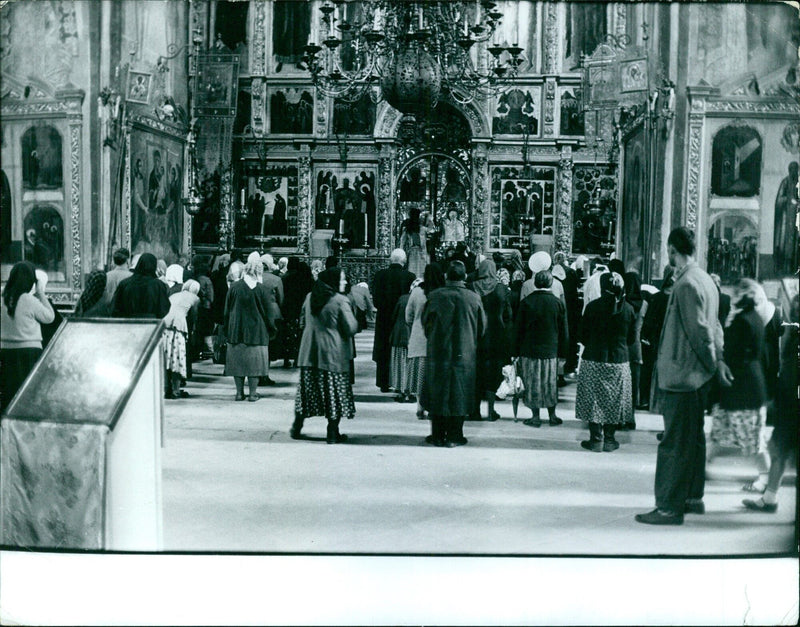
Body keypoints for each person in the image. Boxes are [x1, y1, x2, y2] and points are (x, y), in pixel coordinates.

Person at [636, 227, 728, 526]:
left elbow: (700, 331)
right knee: (693, 439)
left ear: (673, 250)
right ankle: (692, 497)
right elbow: (715, 327)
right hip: (695, 376)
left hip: (684, 376)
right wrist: (715, 363)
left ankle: (668, 508)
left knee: (674, 443)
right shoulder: (704, 279)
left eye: (668, 250)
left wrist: (712, 364)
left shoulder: (687, 283)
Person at [708, 279, 770, 492]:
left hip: (742, 390)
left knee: (752, 441)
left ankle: (765, 479)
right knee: (720, 431)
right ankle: (704, 467)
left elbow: (735, 354)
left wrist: (721, 362)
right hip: (747, 386)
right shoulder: (756, 318)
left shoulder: (742, 321)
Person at [420, 261, 486, 447]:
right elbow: (482, 328)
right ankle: (455, 436)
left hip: (438, 351)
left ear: (446, 276)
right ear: (465, 277)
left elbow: (425, 323)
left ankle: (437, 435)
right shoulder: (473, 298)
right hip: (464, 352)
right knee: (460, 391)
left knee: (438, 390)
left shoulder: (434, 296)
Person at [743, 295, 798, 513]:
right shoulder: (792, 331)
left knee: (779, 450)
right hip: (788, 399)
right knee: (778, 450)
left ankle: (770, 497)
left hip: (793, 402)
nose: (794, 308)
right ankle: (769, 498)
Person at [290, 267, 359, 444]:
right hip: (332, 353)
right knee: (334, 392)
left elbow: (302, 321)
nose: (344, 282)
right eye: (342, 279)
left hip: (309, 352)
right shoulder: (340, 301)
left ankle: (297, 427)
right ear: (333, 282)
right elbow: (351, 328)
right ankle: (332, 432)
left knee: (306, 392)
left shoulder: (309, 297)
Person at [576, 272, 636, 452]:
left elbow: (583, 335)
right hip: (619, 360)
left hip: (594, 358)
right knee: (615, 399)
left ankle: (596, 439)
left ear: (602, 287)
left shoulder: (593, 307)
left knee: (593, 398)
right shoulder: (629, 309)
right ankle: (610, 439)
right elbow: (632, 339)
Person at [514, 269, 568, 427]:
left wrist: (515, 351)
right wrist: (564, 353)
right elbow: (564, 330)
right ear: (551, 283)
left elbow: (518, 330)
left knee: (532, 383)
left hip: (529, 349)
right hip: (551, 350)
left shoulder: (527, 302)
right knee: (550, 383)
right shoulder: (558, 303)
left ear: (535, 283)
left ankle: (535, 417)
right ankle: (552, 416)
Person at [0, 262, 55, 410]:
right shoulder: (28, 299)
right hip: (29, 352)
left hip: (6, 352)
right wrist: (41, 293)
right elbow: (49, 317)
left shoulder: (3, 298)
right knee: (28, 397)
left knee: (9, 394)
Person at [223, 258, 278, 402]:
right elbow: (268, 313)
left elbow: (227, 310)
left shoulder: (234, 287)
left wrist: (226, 328)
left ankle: (239, 393)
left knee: (238, 362)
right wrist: (271, 329)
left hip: (236, 329)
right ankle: (253, 394)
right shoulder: (262, 289)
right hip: (257, 332)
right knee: (255, 364)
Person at [471, 258, 512, 421]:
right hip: (496, 335)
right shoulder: (502, 289)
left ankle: (474, 410)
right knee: (493, 373)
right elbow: (508, 315)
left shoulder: (472, 287)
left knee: (476, 373)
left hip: (476, 334)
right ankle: (491, 410)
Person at [372, 248, 415, 392]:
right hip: (401, 320)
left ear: (391, 260)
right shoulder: (410, 277)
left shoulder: (379, 275)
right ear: (404, 261)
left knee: (383, 348)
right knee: (400, 351)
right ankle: (399, 383)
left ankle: (383, 383)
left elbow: (376, 300)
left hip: (383, 318)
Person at [405, 263, 445, 420]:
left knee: (420, 377)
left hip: (419, 338)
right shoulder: (443, 292)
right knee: (435, 377)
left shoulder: (416, 292)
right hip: (438, 341)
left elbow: (408, 316)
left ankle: (420, 407)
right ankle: (435, 406)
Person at [640, 265, 674, 413]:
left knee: (649, 371)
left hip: (654, 340)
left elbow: (649, 322)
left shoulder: (656, 298)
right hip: (670, 340)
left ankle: (646, 399)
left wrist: (646, 336)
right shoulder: (676, 299)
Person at [163, 280, 201, 399]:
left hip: (165, 325)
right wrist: (193, 332)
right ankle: (176, 390)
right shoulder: (195, 298)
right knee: (177, 358)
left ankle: (166, 388)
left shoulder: (174, 295)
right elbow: (194, 317)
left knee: (166, 358)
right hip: (178, 327)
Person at [621, 271, 646, 429]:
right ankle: (631, 418)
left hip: (622, 347)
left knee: (621, 385)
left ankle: (619, 416)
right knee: (634, 385)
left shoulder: (622, 303)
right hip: (637, 348)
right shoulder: (644, 304)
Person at [112, 253, 170, 319]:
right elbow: (164, 308)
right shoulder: (158, 285)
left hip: (128, 323)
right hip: (151, 324)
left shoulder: (125, 283)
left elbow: (115, 307)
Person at [281, 258, 314, 368]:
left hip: (288, 308)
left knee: (287, 335)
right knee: (299, 334)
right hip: (301, 308)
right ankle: (297, 358)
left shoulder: (285, 277)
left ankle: (286, 358)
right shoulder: (305, 278)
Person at [552, 251, 581, 378]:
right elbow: (575, 292)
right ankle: (568, 366)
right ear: (564, 260)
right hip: (570, 309)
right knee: (568, 337)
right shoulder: (571, 272)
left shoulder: (551, 273)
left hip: (556, 309)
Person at [389, 285, 414, 402]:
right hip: (413, 336)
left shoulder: (402, 298)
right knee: (411, 364)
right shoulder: (422, 298)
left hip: (399, 335)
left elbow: (393, 316)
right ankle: (409, 390)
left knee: (400, 363)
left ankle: (400, 389)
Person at [398, 208, 427, 278]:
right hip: (412, 252)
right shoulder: (408, 228)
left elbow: (424, 244)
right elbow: (402, 242)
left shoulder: (422, 228)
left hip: (419, 252)